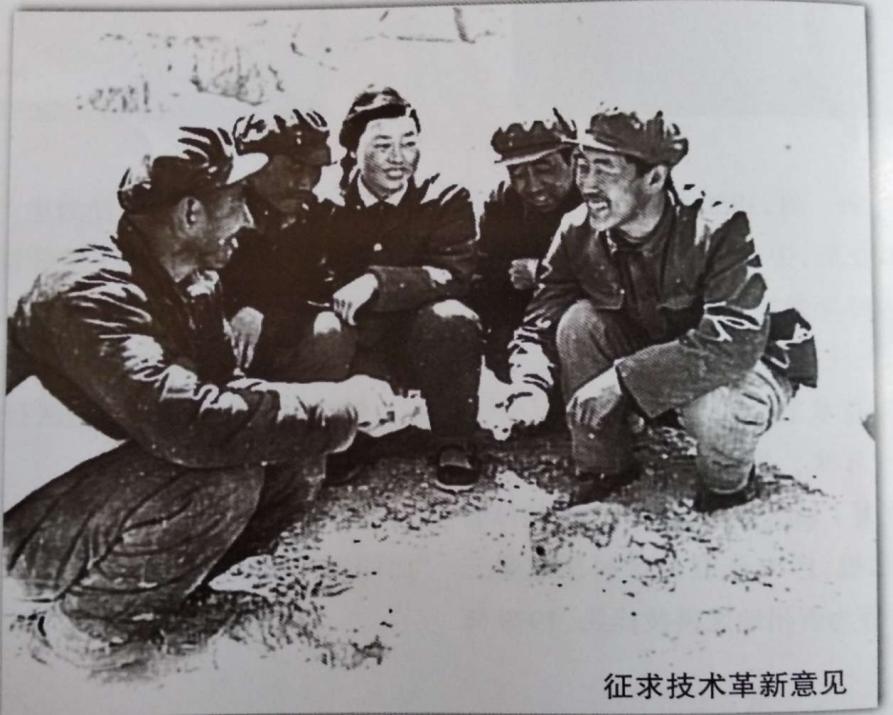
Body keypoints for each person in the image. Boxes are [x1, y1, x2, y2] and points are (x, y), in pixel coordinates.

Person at [4, 126, 394, 669]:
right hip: (17, 530)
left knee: (295, 458)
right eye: (235, 203)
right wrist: (341, 407)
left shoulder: (192, 282)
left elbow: (227, 391)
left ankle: (158, 600)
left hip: (84, 501)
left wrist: (336, 407)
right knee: (218, 483)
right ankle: (77, 637)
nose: (249, 219)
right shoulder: (88, 291)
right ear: (190, 214)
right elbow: (185, 422)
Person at [506, 109, 817, 512]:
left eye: (605, 169)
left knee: (717, 410)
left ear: (654, 178)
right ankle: (605, 467)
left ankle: (727, 490)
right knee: (577, 322)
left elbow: (734, 341)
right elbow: (541, 319)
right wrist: (529, 384)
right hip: (658, 357)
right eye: (582, 166)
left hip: (745, 363)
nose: (587, 185)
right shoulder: (577, 229)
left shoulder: (718, 227)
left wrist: (622, 380)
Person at [324, 86, 482, 493]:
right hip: (356, 341)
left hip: (421, 339)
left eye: (408, 143)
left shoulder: (446, 197)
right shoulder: (326, 205)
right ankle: (342, 436)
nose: (398, 158)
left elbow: (455, 273)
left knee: (453, 318)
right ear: (353, 149)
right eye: (382, 145)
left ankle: (453, 440)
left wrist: (378, 281)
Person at [220, 108, 355, 382]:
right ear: (254, 167)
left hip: (279, 346)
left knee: (330, 331)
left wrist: (261, 312)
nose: (306, 183)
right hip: (214, 345)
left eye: (315, 170)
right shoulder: (215, 214)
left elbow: (325, 292)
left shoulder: (317, 218)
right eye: (294, 168)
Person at [471, 111, 581, 382]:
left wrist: (543, 273)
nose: (532, 186)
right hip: (529, 325)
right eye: (517, 173)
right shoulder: (503, 203)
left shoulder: (599, 199)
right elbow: (485, 273)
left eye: (544, 169)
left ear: (574, 160)